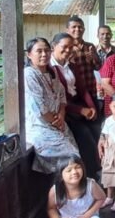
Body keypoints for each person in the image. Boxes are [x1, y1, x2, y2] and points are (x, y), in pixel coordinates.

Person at [50, 33, 101, 179]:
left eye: (70, 47)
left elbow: (83, 89)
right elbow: (61, 99)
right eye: (64, 47)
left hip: (80, 105)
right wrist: (81, 110)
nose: (68, 50)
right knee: (84, 136)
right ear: (54, 46)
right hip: (66, 110)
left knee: (98, 130)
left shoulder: (72, 65)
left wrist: (92, 108)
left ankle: (98, 171)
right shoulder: (50, 68)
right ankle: (88, 176)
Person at [24, 37, 79, 174]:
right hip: (40, 127)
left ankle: (71, 192)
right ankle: (62, 192)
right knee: (71, 159)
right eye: (39, 51)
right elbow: (39, 107)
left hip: (58, 123)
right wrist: (56, 122)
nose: (44, 54)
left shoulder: (51, 71)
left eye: (47, 51)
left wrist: (61, 115)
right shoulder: (29, 74)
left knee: (74, 157)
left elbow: (61, 96)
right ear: (29, 54)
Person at [67, 15, 102, 103]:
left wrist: (93, 58)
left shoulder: (90, 46)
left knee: (93, 115)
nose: (77, 29)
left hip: (90, 89)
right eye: (74, 27)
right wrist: (70, 57)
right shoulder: (66, 47)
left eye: (80, 27)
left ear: (84, 29)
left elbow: (98, 67)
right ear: (67, 29)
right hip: (73, 91)